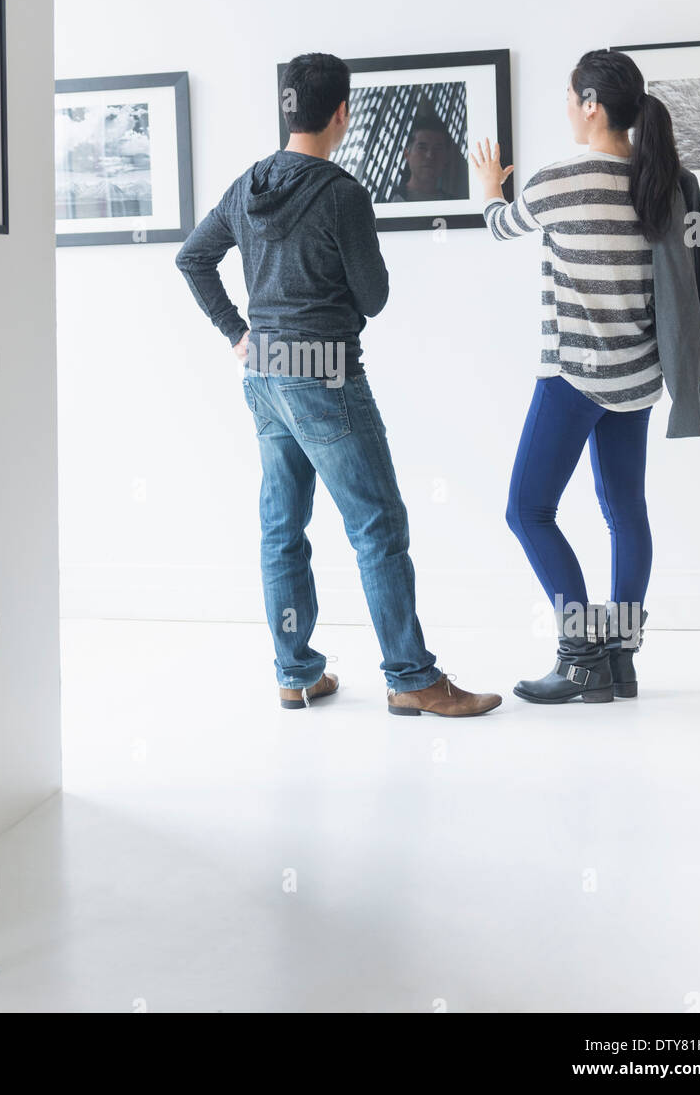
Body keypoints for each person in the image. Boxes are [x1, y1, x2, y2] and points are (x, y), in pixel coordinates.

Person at [176, 52, 500, 717]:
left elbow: (193, 256)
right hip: (322, 371)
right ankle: (410, 677)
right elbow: (374, 297)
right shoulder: (341, 193)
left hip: (264, 371)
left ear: (289, 109)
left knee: (281, 528)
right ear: (343, 113)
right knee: (377, 526)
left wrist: (237, 331)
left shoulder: (248, 184)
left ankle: (295, 673)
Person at [471, 48, 700, 705]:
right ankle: (619, 660)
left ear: (591, 103)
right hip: (637, 378)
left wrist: (488, 186)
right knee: (625, 512)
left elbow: (502, 226)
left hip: (570, 377)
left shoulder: (560, 179)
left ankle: (578, 655)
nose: (565, 106)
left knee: (526, 509)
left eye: (569, 95)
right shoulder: (659, 181)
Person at [389, 114, 469, 202]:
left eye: (438, 149)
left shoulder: (455, 205)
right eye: (422, 147)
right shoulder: (390, 200)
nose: (430, 155)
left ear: (446, 157)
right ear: (407, 154)